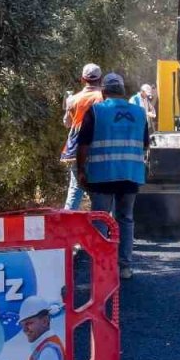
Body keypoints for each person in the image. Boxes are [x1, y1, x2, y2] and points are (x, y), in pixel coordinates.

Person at [76, 73, 149, 280]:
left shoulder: (97, 111)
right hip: (130, 175)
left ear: (104, 91)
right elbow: (145, 144)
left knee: (100, 219)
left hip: (102, 175)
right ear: (123, 91)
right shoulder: (139, 112)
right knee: (125, 219)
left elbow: (83, 145)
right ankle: (124, 267)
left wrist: (81, 169)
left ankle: (100, 265)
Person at [61, 63, 104, 210]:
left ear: (82, 79)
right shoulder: (102, 98)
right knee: (99, 193)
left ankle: (65, 225)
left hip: (76, 149)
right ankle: (101, 228)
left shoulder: (72, 99)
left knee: (75, 189)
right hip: (97, 148)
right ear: (101, 79)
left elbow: (66, 123)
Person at [18, 296, 64, 360]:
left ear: (45, 321)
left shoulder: (48, 352)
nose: (25, 330)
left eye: (29, 323)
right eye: (22, 325)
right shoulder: (43, 348)